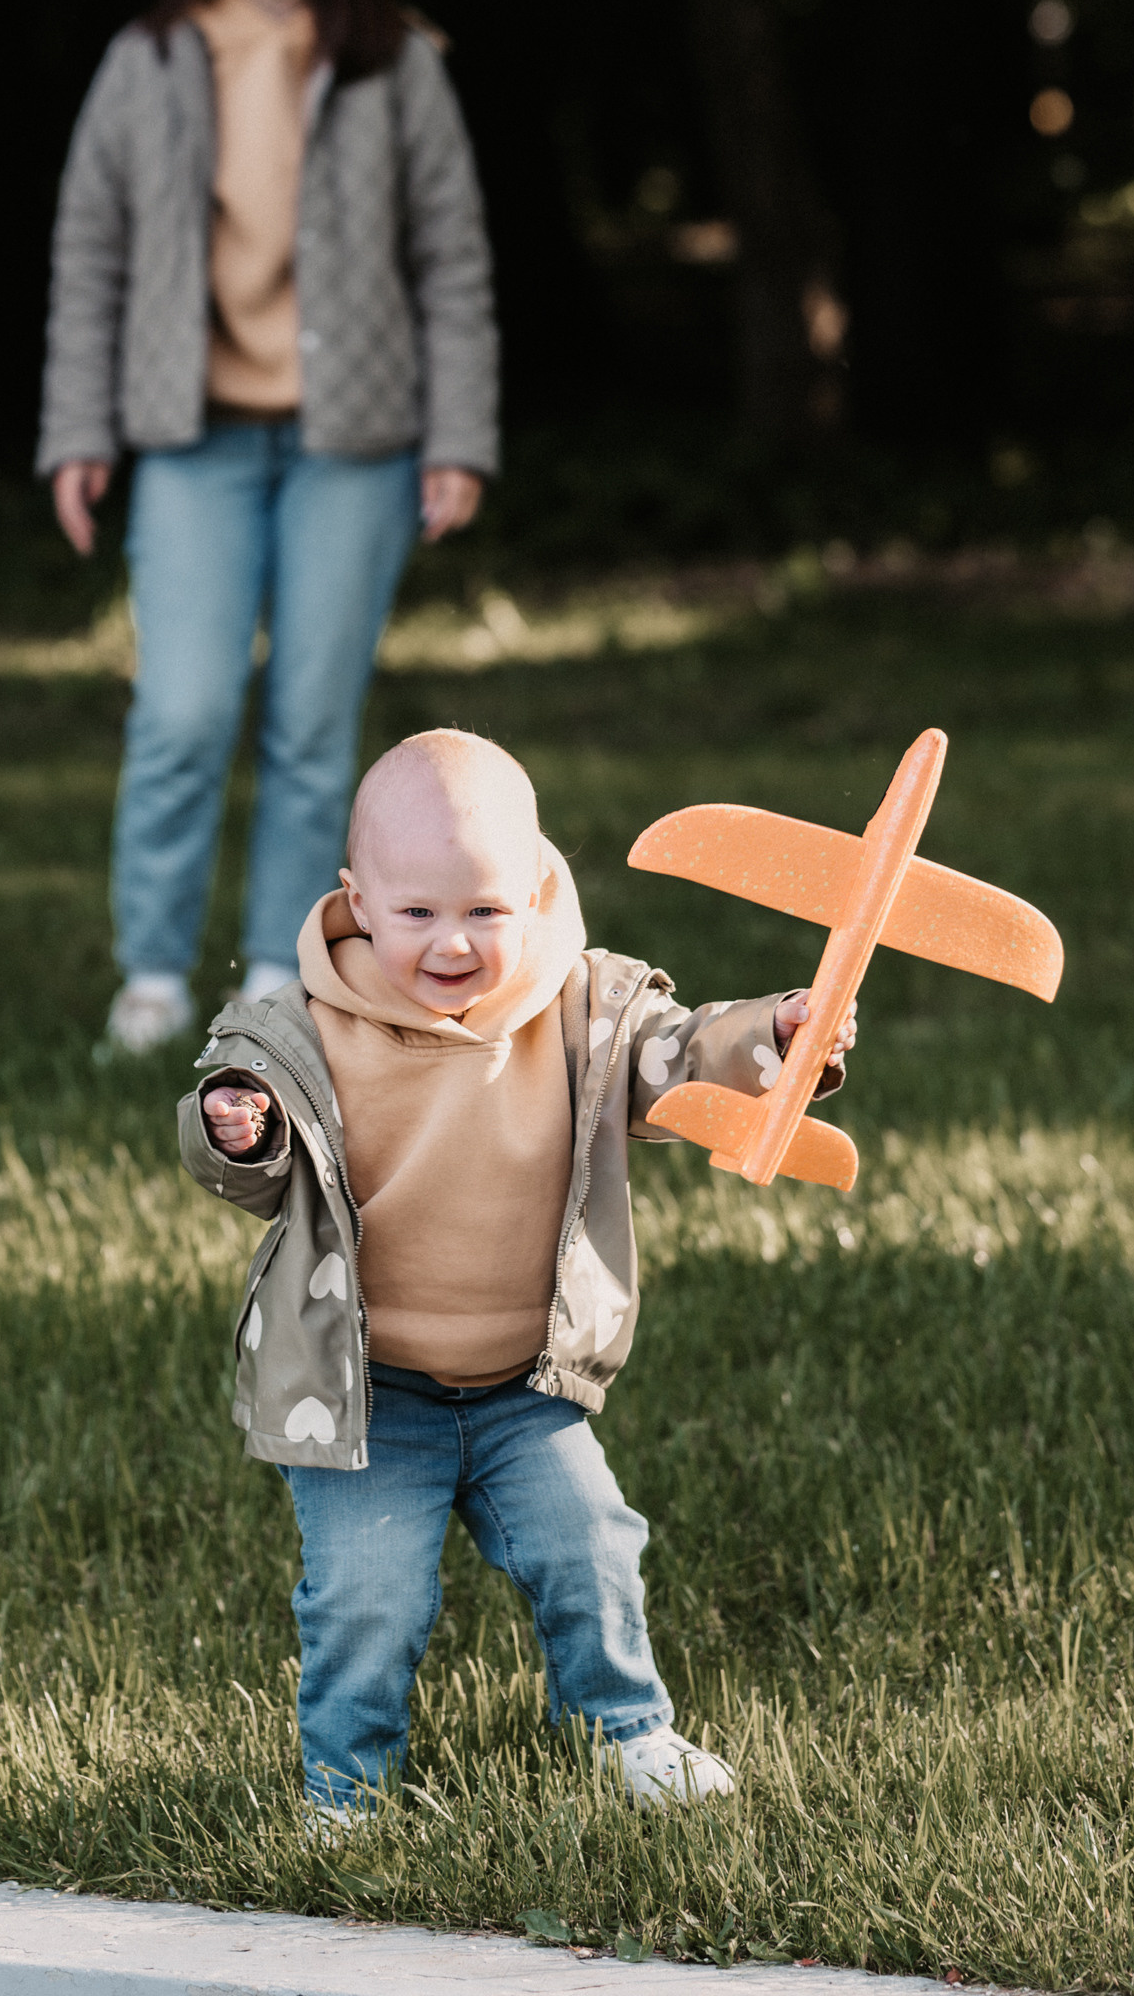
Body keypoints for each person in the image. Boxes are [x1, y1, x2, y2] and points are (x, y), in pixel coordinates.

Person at [179, 728, 856, 1817]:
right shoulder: (305, 1027)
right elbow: (241, 1139)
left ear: (537, 889)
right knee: (364, 1595)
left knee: (592, 1546)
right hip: (372, 1393)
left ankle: (623, 1729)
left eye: (487, 910)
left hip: (520, 1390)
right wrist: (237, 1126)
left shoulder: (578, 1005)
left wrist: (774, 1037)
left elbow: (678, 1056)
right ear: (355, 900)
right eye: (417, 913)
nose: (453, 942)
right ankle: (346, 1785)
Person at [38, 0, 498, 1058]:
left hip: (354, 442)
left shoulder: (395, 60)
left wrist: (457, 434)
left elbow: (450, 258)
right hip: (193, 440)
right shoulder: (150, 57)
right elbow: (89, 248)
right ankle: (147, 974)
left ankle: (273, 984)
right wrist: (77, 427)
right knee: (182, 711)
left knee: (309, 721)